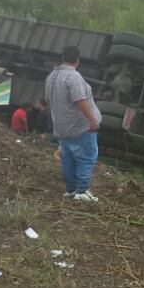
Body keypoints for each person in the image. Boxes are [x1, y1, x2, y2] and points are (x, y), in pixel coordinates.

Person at [44, 45, 102, 203]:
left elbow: (49, 101)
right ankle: (82, 191)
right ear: (77, 60)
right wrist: (92, 120)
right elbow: (80, 100)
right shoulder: (73, 77)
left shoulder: (51, 77)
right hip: (80, 127)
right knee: (86, 157)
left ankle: (70, 189)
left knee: (68, 158)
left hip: (62, 128)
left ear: (62, 58)